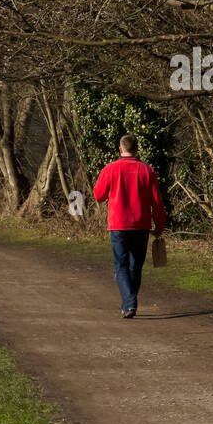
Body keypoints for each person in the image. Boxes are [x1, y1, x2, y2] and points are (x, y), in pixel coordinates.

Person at [92, 134, 166, 318]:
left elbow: (98, 195)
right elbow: (157, 202)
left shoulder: (110, 169)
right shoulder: (147, 170)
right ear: (137, 149)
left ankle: (129, 304)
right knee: (135, 267)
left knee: (121, 266)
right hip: (141, 224)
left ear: (120, 149)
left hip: (118, 224)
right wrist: (159, 225)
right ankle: (129, 303)